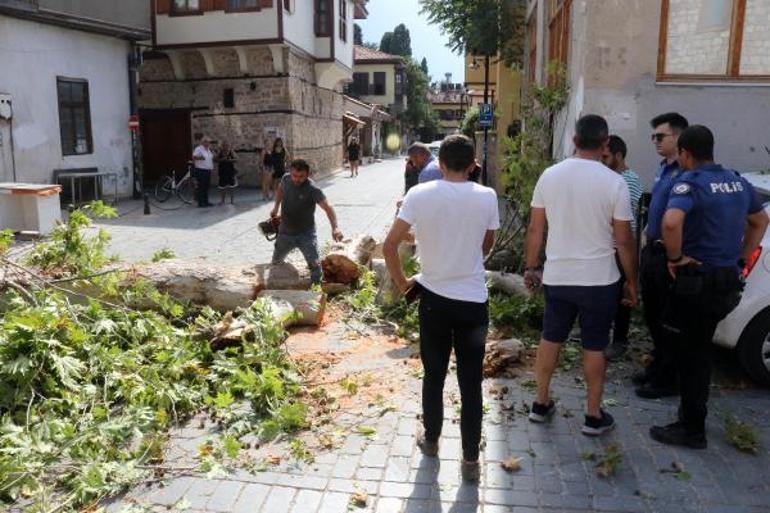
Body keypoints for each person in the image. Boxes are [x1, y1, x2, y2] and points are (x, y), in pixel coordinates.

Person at [383, 134, 499, 482]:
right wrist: (464, 259)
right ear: (474, 164)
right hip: (473, 304)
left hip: (433, 301)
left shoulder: (419, 194)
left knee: (434, 375)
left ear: (440, 164)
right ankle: (470, 462)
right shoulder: (487, 196)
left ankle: (431, 442)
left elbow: (390, 246)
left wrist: (404, 284)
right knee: (471, 382)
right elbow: (487, 243)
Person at [650, 125, 768, 448]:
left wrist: (674, 259)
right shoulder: (737, 181)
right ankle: (691, 419)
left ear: (685, 154)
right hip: (727, 281)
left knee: (692, 355)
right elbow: (760, 221)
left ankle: (691, 428)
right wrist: (742, 259)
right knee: (699, 351)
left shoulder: (691, 183)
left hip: (697, 282)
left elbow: (671, 222)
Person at [524, 115, 637, 437]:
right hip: (600, 280)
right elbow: (624, 240)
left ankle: (541, 404)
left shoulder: (550, 176)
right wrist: (632, 281)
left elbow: (536, 228)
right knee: (594, 346)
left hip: (558, 276)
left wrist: (532, 266)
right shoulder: (615, 182)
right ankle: (592, 415)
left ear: (574, 140)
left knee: (551, 338)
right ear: (605, 144)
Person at [636, 112, 689, 399]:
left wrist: (673, 256)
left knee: (669, 320)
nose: (655, 141)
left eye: (660, 136)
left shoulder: (686, 171)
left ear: (678, 137)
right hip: (653, 251)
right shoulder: (664, 168)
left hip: (670, 257)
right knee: (653, 315)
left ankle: (667, 379)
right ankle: (656, 367)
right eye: (653, 136)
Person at [602, 135, 643, 360]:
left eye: (606, 156)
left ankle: (620, 340)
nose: (602, 160)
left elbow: (618, 217)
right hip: (607, 245)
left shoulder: (629, 179)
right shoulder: (609, 178)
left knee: (623, 294)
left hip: (622, 245)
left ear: (618, 155)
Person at [270, 159, 344, 284]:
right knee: (276, 262)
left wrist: (335, 228)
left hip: (306, 235)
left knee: (315, 266)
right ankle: (276, 285)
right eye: (294, 175)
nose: (297, 179)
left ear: (308, 174)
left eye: (301, 176)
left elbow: (328, 208)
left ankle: (317, 292)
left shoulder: (313, 189)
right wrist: (276, 207)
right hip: (285, 233)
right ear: (290, 172)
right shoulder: (286, 179)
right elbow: (280, 190)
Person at [192, 135, 214, 208]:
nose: (208, 143)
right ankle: (201, 203)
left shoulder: (208, 149)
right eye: (207, 142)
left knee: (206, 187)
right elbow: (194, 156)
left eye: (209, 142)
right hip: (201, 170)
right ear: (203, 142)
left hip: (207, 170)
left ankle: (206, 201)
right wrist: (201, 158)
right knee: (201, 187)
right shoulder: (199, 149)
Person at [216, 140, 238, 205]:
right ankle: (222, 200)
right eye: (225, 145)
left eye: (227, 145)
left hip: (230, 172)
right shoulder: (220, 152)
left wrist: (230, 160)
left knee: (231, 187)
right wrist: (221, 159)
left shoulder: (231, 151)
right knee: (222, 187)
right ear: (222, 146)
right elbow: (215, 159)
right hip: (222, 172)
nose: (226, 146)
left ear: (229, 146)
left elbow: (237, 159)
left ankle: (232, 200)